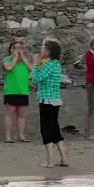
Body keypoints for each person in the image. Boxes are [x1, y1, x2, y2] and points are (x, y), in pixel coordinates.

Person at [31, 38, 69, 168]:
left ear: (49, 51)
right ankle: (63, 158)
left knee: (46, 130)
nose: (41, 50)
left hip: (47, 100)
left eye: (43, 47)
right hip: (54, 99)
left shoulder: (48, 64)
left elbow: (36, 79)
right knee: (54, 129)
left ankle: (50, 160)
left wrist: (35, 63)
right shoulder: (56, 64)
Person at [1, 39, 32, 142]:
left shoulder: (25, 60)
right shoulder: (7, 59)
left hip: (23, 91)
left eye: (20, 48)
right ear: (11, 49)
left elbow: (32, 69)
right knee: (10, 113)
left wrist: (22, 58)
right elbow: (9, 68)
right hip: (11, 90)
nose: (18, 50)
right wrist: (14, 58)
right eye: (16, 48)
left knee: (22, 114)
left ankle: (22, 135)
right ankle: (8, 136)